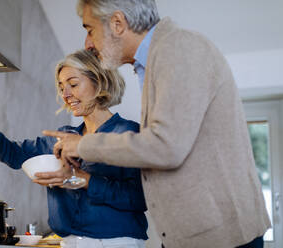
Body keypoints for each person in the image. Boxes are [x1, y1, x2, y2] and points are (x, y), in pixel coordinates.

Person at [42, 1, 271, 247]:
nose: (88, 43)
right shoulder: (154, 61)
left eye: (90, 29)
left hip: (223, 237)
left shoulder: (179, 48)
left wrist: (84, 146)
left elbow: (166, 146)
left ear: (118, 23)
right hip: (193, 235)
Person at [0, 49, 148, 248]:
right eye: (61, 87)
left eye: (73, 84)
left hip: (116, 244)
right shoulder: (62, 138)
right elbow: (13, 154)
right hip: (68, 243)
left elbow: (141, 198)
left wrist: (83, 179)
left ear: (99, 82)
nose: (65, 94)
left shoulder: (128, 134)